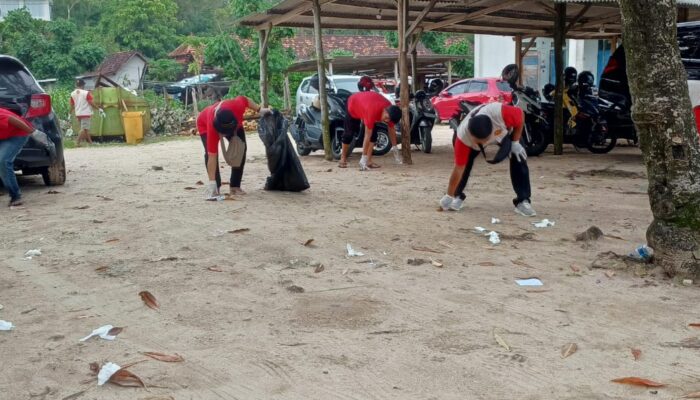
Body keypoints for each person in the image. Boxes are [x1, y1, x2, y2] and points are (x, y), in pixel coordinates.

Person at [439, 102, 536, 217]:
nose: (485, 143)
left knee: (519, 156)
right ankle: (457, 195)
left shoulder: (499, 113)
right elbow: (458, 168)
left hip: (502, 132)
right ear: (472, 136)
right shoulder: (463, 138)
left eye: (486, 139)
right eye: (481, 142)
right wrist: (448, 195)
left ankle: (523, 201)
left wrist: (515, 142)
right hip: (473, 143)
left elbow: (520, 115)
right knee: (465, 164)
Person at [197, 96, 270, 200]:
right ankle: (215, 186)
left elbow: (245, 99)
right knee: (211, 153)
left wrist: (259, 109)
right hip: (204, 123)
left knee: (241, 148)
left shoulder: (237, 106)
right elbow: (212, 156)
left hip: (233, 124)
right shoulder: (212, 126)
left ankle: (235, 186)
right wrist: (212, 183)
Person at [338, 90, 402, 170]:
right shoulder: (372, 111)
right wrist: (363, 158)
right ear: (385, 110)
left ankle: (369, 161)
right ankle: (343, 158)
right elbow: (367, 136)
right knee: (348, 134)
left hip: (367, 104)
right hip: (353, 105)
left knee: (374, 136)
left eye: (389, 120)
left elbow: (391, 129)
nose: (387, 121)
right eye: (386, 118)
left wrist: (395, 148)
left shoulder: (391, 111)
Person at [0, 106, 39, 206]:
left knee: (3, 161)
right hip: (4, 134)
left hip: (17, 133)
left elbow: (13, 120)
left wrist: (33, 133)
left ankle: (15, 196)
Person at [70, 79, 99, 146]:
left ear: (76, 85)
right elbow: (90, 102)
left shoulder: (73, 93)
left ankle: (90, 142)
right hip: (85, 113)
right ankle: (77, 142)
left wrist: (70, 112)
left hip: (78, 113)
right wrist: (98, 108)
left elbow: (72, 104)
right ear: (83, 85)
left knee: (86, 129)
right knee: (83, 129)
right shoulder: (86, 93)